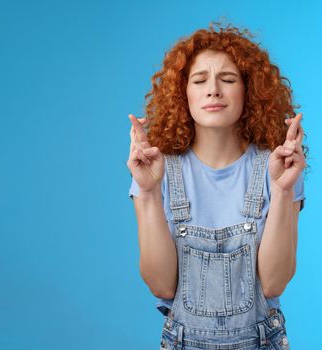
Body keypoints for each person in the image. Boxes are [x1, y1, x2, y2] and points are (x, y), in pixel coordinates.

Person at [127, 21, 308, 349]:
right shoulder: (157, 169)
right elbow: (162, 286)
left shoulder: (279, 166)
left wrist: (282, 191)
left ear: (248, 91)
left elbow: (273, 283)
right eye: (200, 80)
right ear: (184, 93)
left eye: (227, 79)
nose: (213, 90)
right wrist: (150, 192)